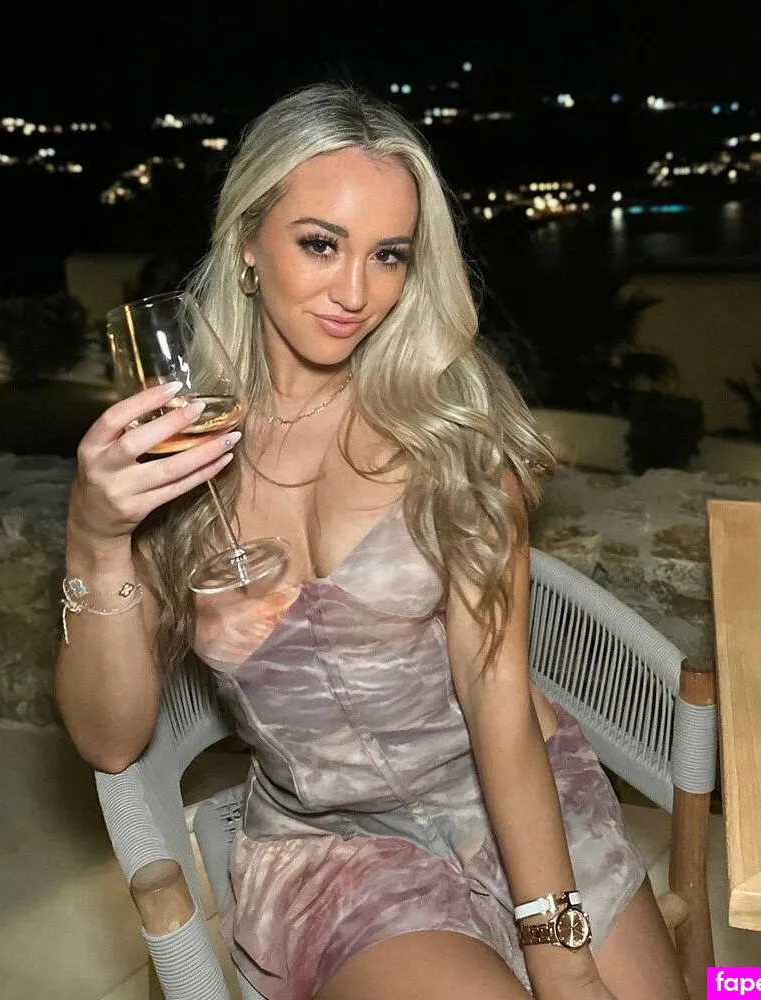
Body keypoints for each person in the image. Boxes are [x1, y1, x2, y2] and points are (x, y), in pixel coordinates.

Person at [56, 83, 688, 1000]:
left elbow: (496, 703)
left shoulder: (449, 430)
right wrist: (95, 538)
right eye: (320, 244)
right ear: (246, 240)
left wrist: (562, 958)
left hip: (513, 792)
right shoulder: (181, 447)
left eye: (388, 255)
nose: (356, 293)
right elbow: (110, 743)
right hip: (334, 849)